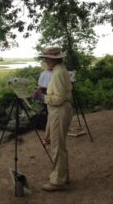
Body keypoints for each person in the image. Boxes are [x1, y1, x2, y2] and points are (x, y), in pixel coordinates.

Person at [33, 47, 73, 192]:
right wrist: (45, 92)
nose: (45, 61)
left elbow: (58, 99)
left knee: (57, 147)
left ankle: (57, 181)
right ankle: (63, 176)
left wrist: (42, 97)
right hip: (60, 110)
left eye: (46, 58)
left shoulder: (57, 73)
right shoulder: (60, 70)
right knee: (60, 146)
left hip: (59, 111)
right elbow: (58, 92)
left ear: (53, 59)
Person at [37, 62, 53, 145]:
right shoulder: (53, 73)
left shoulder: (43, 73)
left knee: (49, 114)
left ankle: (47, 135)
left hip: (45, 94)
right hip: (48, 95)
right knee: (50, 114)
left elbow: (39, 86)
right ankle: (47, 136)